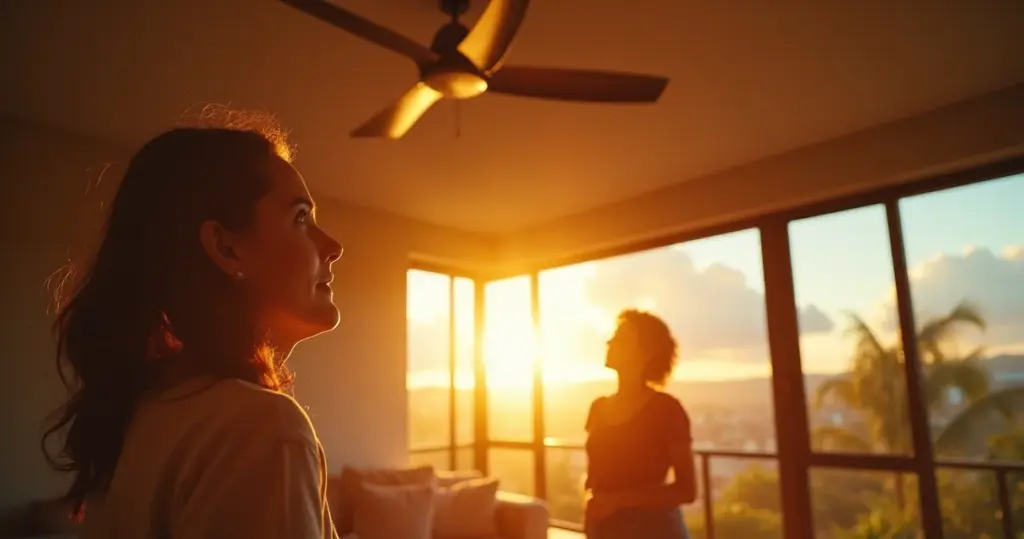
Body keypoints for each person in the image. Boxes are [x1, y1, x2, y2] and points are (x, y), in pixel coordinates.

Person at [42, 109, 343, 539]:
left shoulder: (147, 413)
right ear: (226, 248)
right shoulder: (261, 428)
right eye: (300, 218)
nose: (334, 247)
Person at [583, 309, 697, 539]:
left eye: (620, 337)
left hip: (653, 530)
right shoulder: (598, 407)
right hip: (605, 530)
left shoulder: (667, 410)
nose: (609, 341)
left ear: (645, 352)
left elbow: (687, 490)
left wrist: (616, 500)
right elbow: (594, 475)